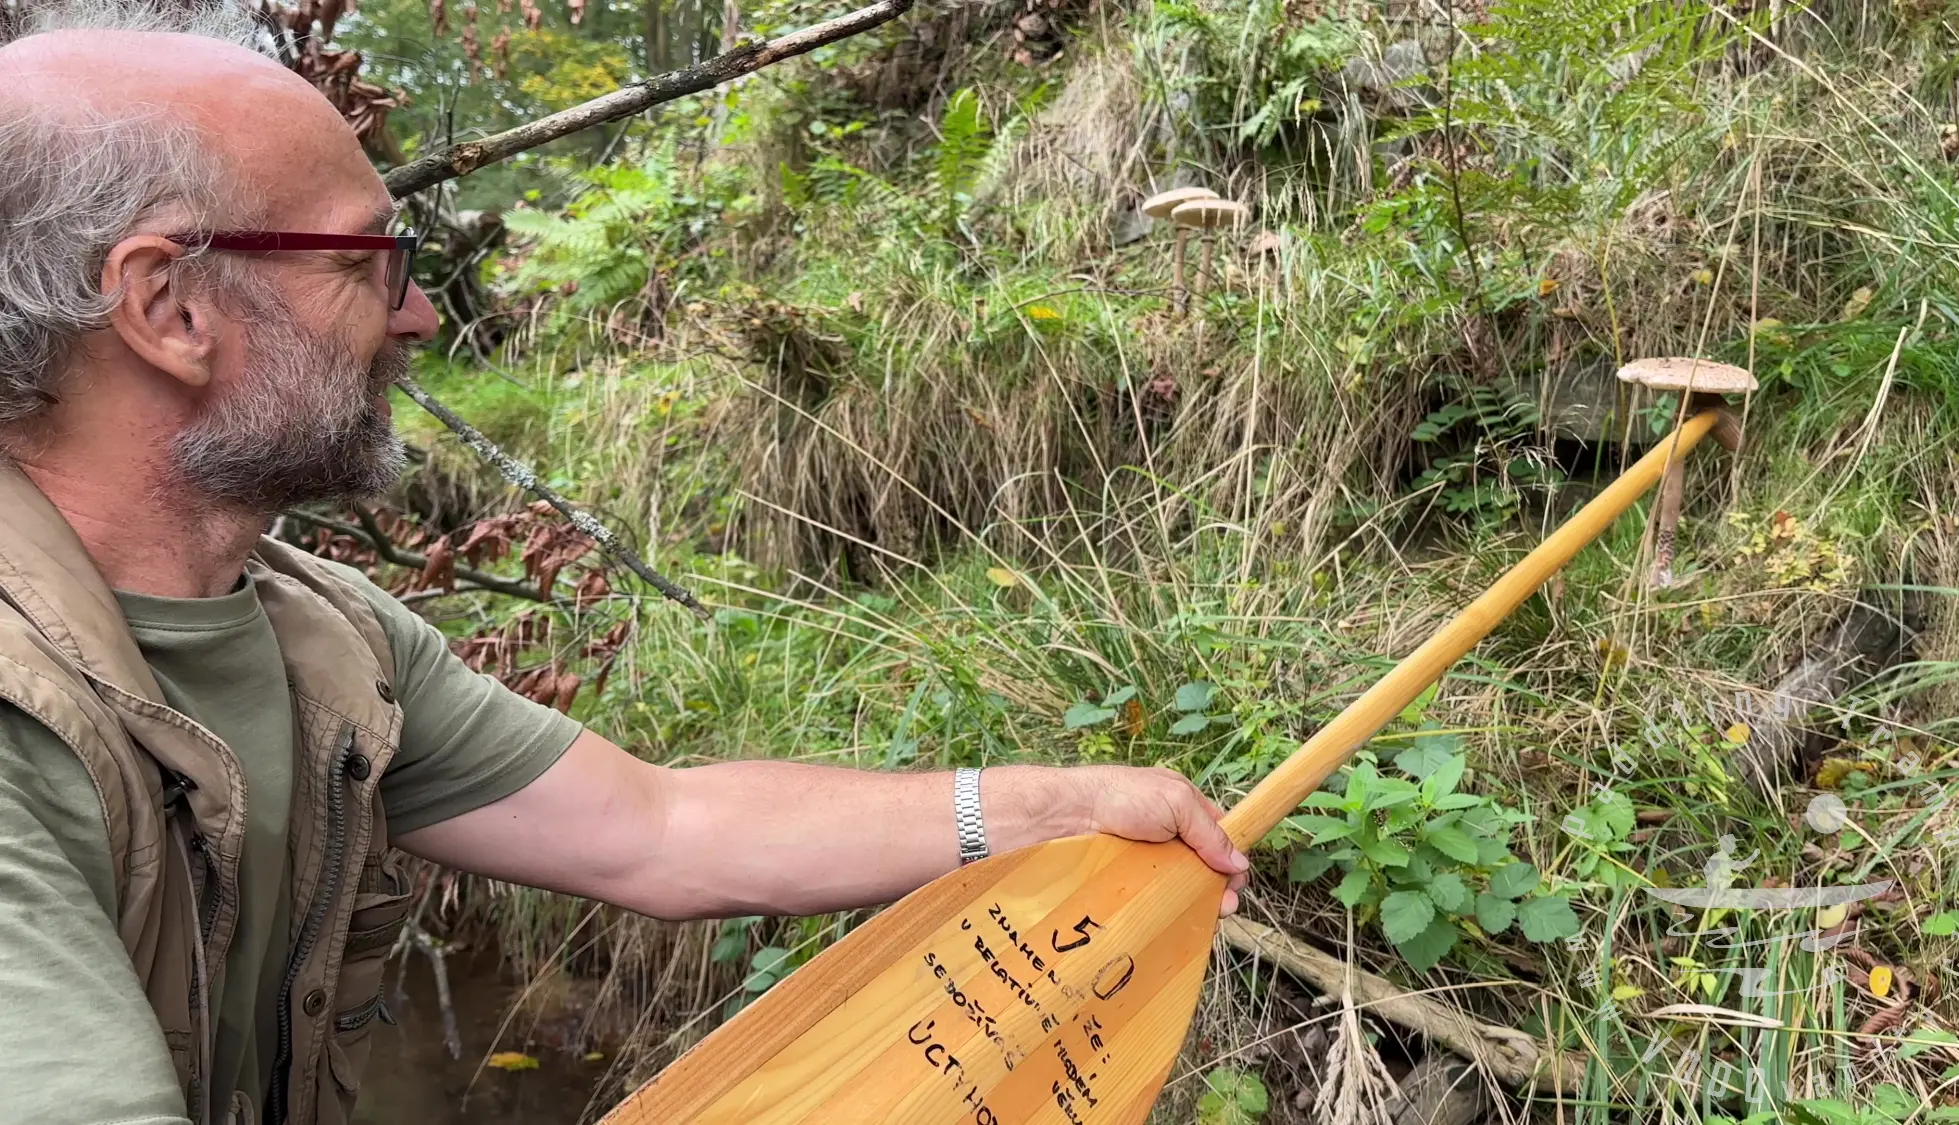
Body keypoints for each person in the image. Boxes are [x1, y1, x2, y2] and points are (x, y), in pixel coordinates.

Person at [0, 5, 1249, 1124]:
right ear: (168, 307)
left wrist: (1056, 807)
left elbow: (661, 830)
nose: (419, 314)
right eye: (364, 261)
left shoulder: (318, 636)